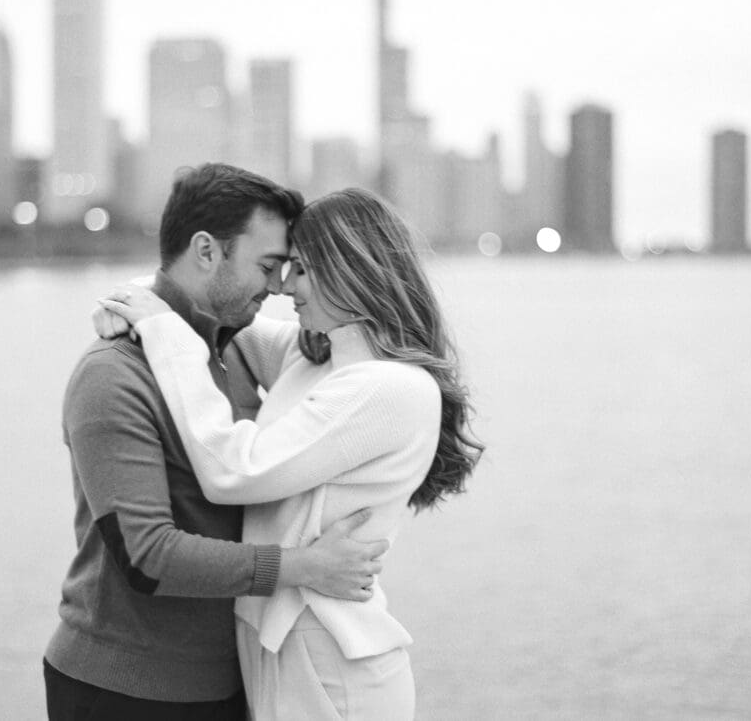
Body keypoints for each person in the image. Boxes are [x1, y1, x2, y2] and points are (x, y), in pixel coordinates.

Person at [98, 187, 483, 721]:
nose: (282, 286)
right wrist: (134, 299)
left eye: (299, 269)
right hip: (281, 651)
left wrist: (156, 322)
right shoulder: (318, 360)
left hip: (334, 668)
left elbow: (233, 471)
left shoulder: (387, 387)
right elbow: (207, 305)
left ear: (347, 270)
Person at [45, 164, 390, 721]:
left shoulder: (234, 351)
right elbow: (147, 555)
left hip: (228, 684)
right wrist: (304, 566)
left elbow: (349, 358)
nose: (279, 286)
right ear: (207, 251)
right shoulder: (112, 374)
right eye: (268, 265)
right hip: (121, 692)